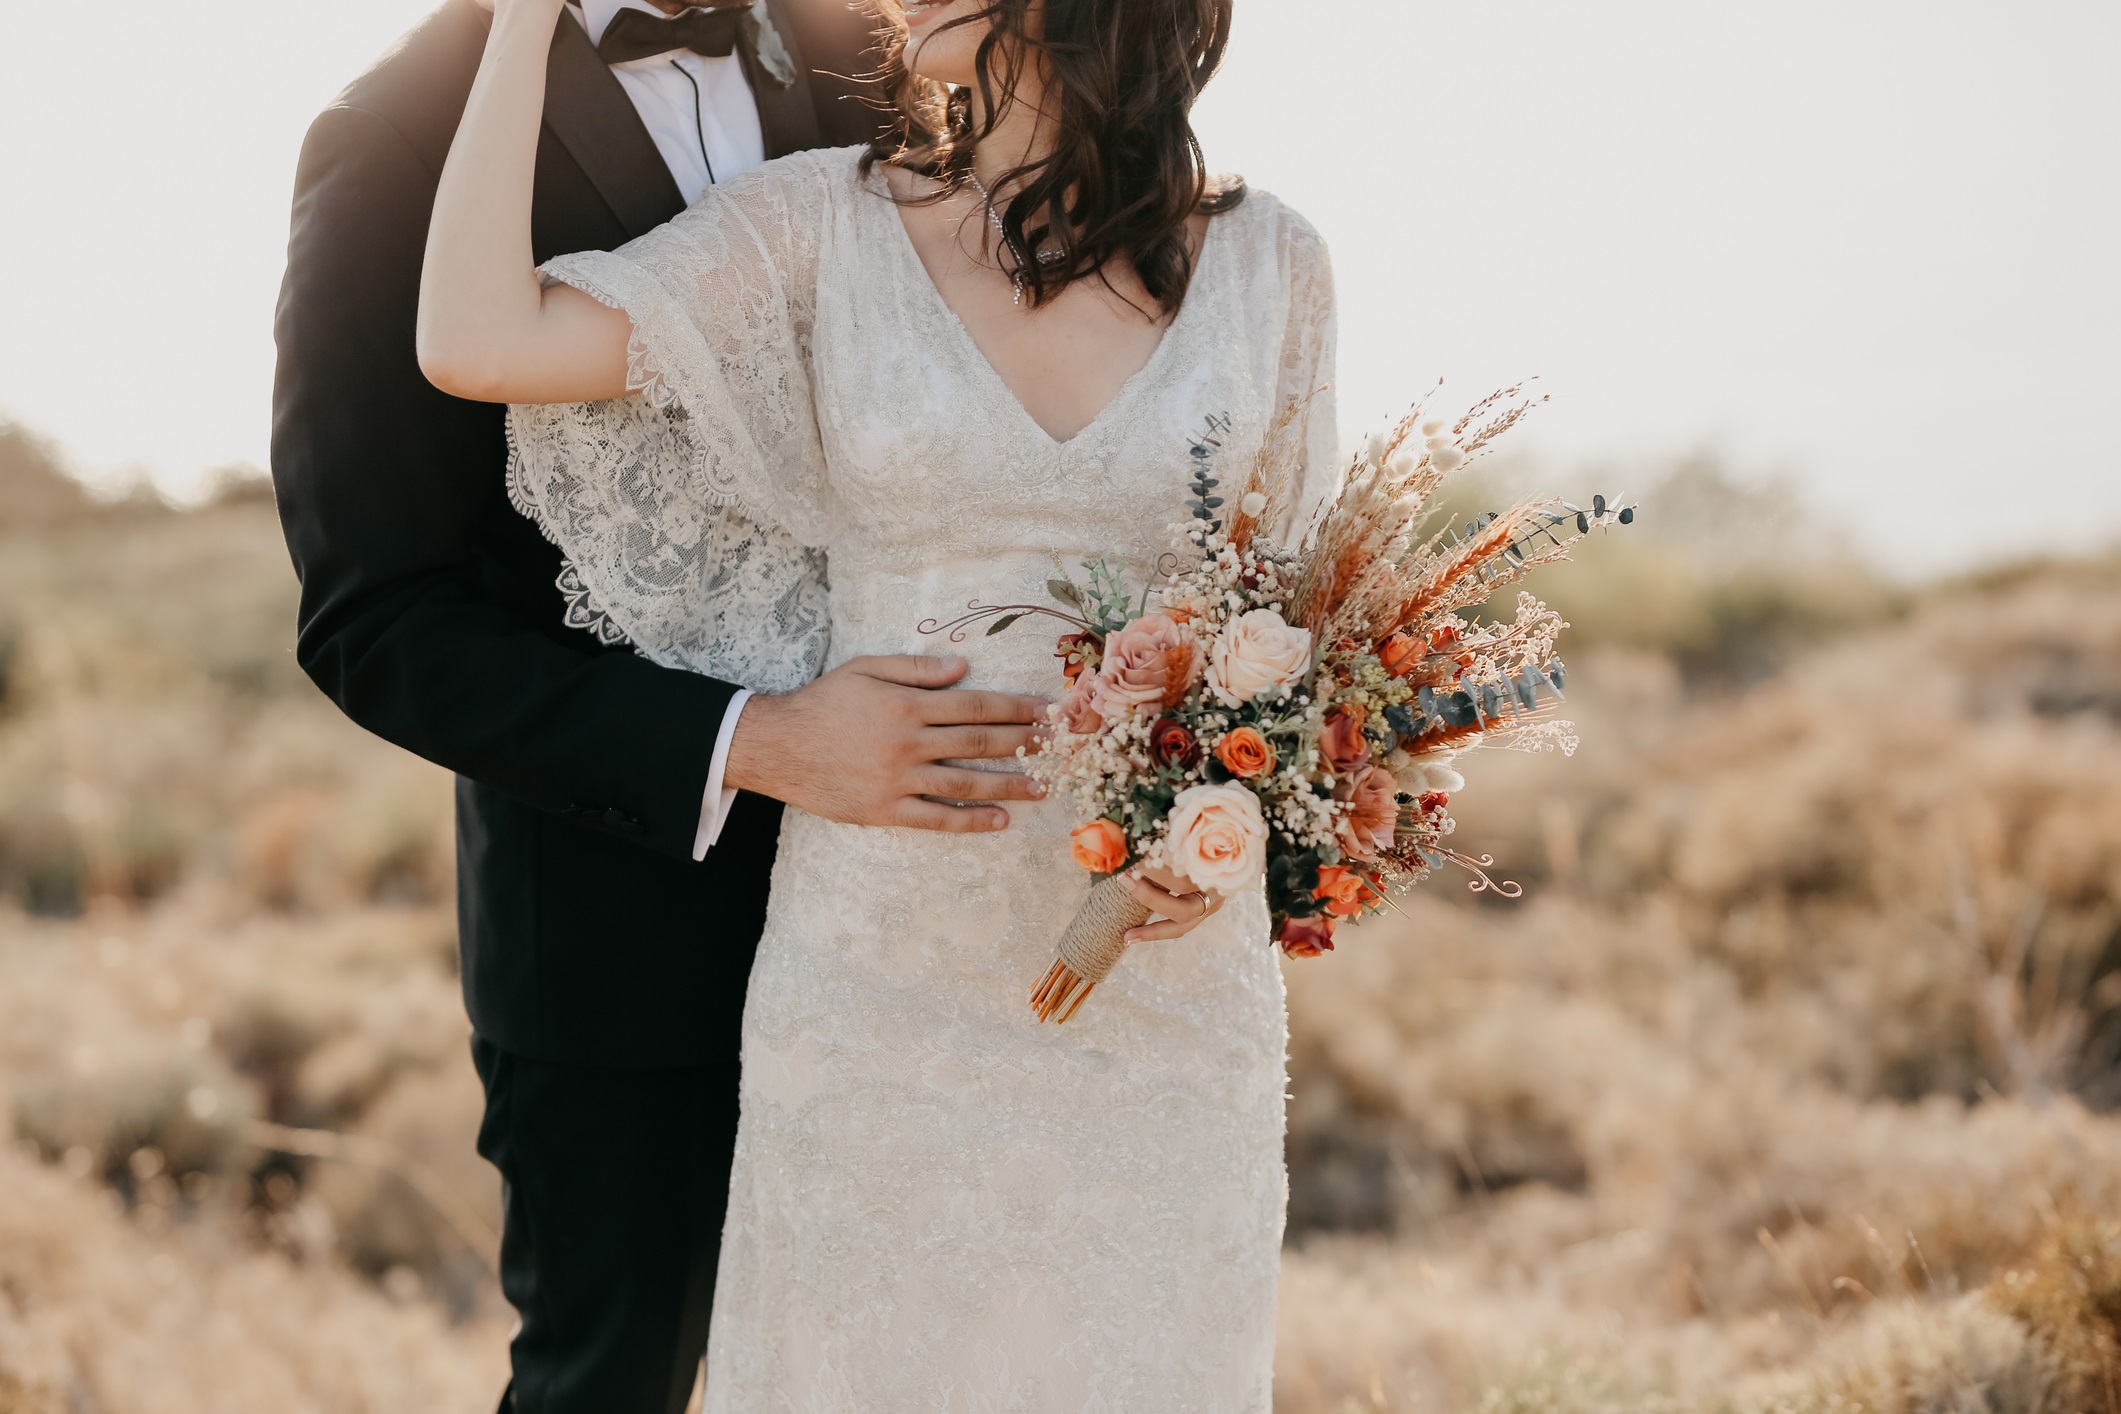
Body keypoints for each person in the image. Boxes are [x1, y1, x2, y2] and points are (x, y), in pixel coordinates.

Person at [417, 0, 1338, 1405]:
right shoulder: (815, 228)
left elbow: (1296, 616)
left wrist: (1230, 828)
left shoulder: (1275, 265)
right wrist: (516, 18)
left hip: (1161, 983)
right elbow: (478, 340)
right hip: (878, 967)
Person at [272, 2, 1102, 1409]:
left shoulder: (869, 48)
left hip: (924, 900)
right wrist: (758, 742)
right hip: (623, 937)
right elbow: (378, 614)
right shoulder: (396, 137)